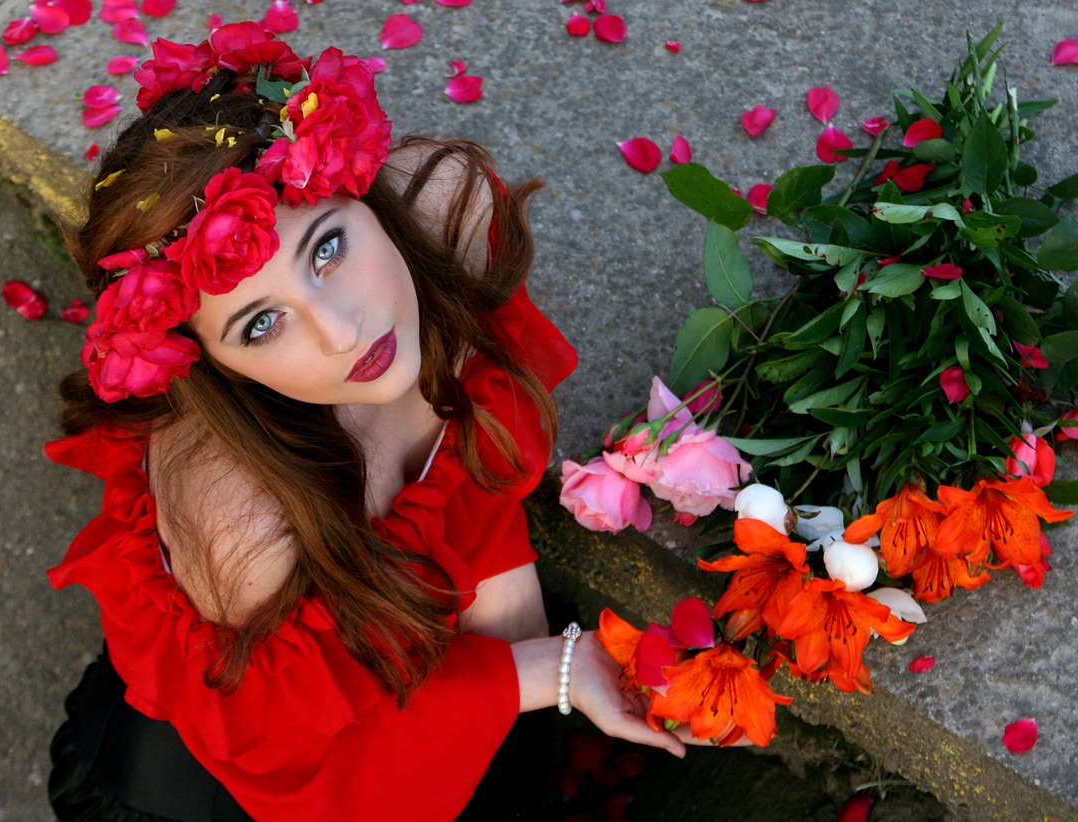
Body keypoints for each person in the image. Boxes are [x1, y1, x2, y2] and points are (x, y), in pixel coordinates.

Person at [44, 22, 688, 822]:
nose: (341, 329)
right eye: (259, 325)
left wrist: (537, 659)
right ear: (202, 363)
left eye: (327, 247)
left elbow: (464, 486)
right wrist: (548, 673)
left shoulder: (445, 213)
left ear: (358, 181)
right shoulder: (247, 524)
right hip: (259, 780)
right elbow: (312, 770)